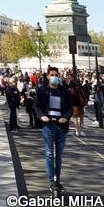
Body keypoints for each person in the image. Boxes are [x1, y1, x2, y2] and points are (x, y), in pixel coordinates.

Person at [35, 66, 73, 194]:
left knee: (59, 155)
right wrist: (42, 116)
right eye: (51, 75)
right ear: (47, 76)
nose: (54, 77)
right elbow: (37, 106)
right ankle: (52, 181)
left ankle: (57, 180)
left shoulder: (64, 91)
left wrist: (65, 118)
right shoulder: (42, 90)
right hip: (48, 125)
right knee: (50, 154)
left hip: (61, 126)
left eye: (56, 75)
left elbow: (69, 109)